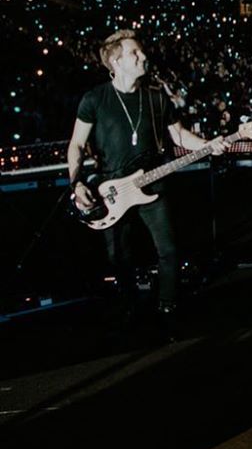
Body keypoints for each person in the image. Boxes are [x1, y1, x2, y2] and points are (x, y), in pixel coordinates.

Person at [67, 30, 225, 329]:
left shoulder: (155, 97)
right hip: (110, 189)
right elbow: (76, 144)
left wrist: (208, 144)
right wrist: (76, 183)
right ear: (116, 60)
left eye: (141, 52)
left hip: (152, 184)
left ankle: (168, 307)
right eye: (134, 53)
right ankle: (130, 307)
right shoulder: (95, 99)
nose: (143, 57)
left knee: (169, 251)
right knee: (119, 257)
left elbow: (178, 135)